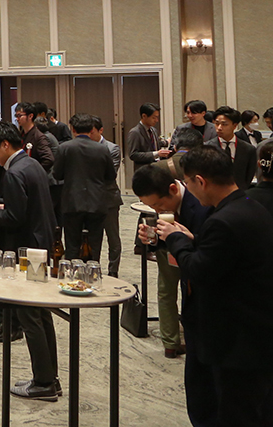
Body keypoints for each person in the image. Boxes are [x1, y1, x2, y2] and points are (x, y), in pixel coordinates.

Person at [158, 146, 273, 425]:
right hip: (257, 330)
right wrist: (194, 240)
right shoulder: (249, 204)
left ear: (200, 181)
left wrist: (175, 239)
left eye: (188, 182)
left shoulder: (222, 220)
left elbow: (199, 270)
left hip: (237, 339)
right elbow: (228, 253)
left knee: (235, 412)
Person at [0, 122, 60, 401]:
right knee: (41, 314)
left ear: (5, 145)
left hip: (26, 250)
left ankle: (43, 383)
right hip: (41, 244)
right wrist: (3, 205)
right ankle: (50, 377)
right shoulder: (31, 164)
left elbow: (16, 217)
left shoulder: (14, 172)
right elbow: (28, 207)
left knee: (30, 317)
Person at [132, 162, 209, 358]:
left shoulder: (200, 201)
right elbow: (162, 237)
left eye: (158, 205)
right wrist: (153, 238)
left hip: (197, 262)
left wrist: (186, 238)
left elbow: (208, 243)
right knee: (166, 291)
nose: (157, 210)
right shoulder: (164, 205)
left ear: (173, 189)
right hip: (171, 254)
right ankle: (170, 343)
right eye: (151, 207)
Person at [51, 113, 115, 262]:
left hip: (72, 202)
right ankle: (92, 272)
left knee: (72, 245)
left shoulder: (64, 148)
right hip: (97, 202)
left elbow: (57, 174)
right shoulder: (102, 149)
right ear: (91, 129)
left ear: (73, 129)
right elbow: (111, 176)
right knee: (94, 245)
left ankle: (73, 274)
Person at [91, 116, 124, 277]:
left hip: (109, 199)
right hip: (91, 200)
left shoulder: (112, 148)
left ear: (101, 130)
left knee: (113, 239)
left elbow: (110, 174)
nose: (89, 135)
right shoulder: (85, 147)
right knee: (93, 238)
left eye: (92, 132)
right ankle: (93, 269)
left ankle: (113, 272)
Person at [208, 106, 258, 190]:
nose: (219, 128)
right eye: (216, 123)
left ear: (234, 126)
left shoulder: (248, 149)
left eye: (224, 124)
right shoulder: (207, 147)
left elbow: (249, 174)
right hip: (215, 191)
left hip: (240, 191)